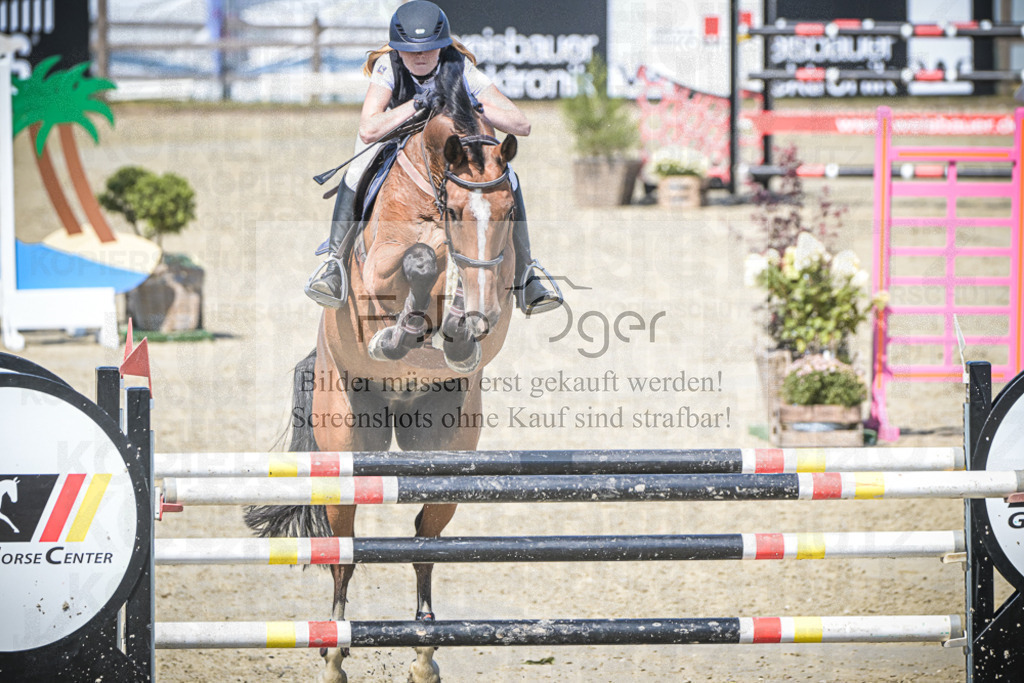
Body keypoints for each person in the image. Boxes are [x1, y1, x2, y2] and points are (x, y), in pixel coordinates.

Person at [305, 0, 561, 315]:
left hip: (449, 151)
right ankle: (334, 264)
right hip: (396, 139)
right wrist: (414, 105)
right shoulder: (388, 65)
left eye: (430, 49)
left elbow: (521, 124)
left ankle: (526, 273)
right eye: (412, 51)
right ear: (398, 50)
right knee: (356, 170)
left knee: (510, 178)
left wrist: (476, 105)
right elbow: (369, 127)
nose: (422, 57)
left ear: (442, 46)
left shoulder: (459, 66)